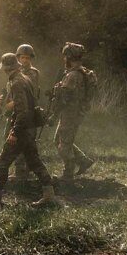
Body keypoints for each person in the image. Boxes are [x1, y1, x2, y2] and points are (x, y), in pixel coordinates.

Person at [0, 53, 56, 207]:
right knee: (34, 162)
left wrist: (14, 132)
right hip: (28, 128)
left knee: (1, 162)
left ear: (6, 68)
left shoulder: (17, 83)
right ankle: (49, 194)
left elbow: (22, 111)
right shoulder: (23, 78)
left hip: (21, 129)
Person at [0, 44, 40, 180]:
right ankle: (25, 170)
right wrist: (3, 98)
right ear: (18, 58)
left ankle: (21, 171)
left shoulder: (32, 73)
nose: (25, 60)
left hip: (23, 112)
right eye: (22, 57)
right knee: (17, 141)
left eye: (27, 58)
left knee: (17, 140)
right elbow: (11, 91)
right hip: (15, 112)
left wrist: (10, 104)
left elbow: (26, 97)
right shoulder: (16, 73)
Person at [52, 42, 96, 180]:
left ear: (69, 57)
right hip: (76, 112)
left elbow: (64, 98)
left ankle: (68, 173)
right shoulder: (82, 72)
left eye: (65, 56)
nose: (64, 59)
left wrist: (54, 114)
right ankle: (83, 161)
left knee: (63, 144)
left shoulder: (72, 76)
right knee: (59, 139)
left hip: (70, 114)